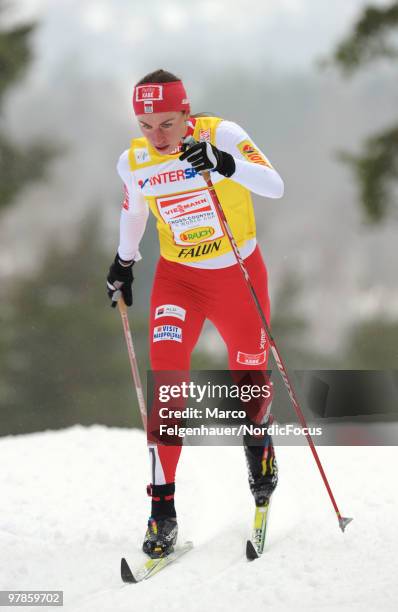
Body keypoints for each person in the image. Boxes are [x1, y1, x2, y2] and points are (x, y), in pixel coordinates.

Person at [107, 69, 284, 558]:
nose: (157, 136)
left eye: (167, 124)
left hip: (238, 275)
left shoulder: (222, 134)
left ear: (187, 113)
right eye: (146, 125)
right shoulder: (134, 161)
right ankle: (161, 511)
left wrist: (224, 163)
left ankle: (259, 451)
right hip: (178, 281)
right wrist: (124, 262)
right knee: (168, 386)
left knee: (248, 375)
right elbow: (134, 211)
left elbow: (274, 185)